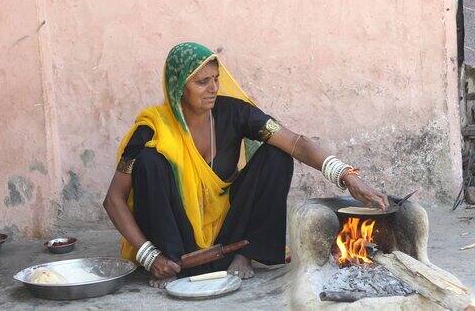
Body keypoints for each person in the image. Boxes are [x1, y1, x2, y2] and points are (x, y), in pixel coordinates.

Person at [103, 42, 388, 288]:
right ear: (178, 87)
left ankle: (243, 253)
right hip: (175, 239)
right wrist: (147, 254)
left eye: (215, 79)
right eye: (201, 82)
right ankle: (168, 263)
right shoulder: (152, 130)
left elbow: (296, 143)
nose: (213, 88)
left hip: (227, 229)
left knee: (276, 157)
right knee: (149, 162)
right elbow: (114, 200)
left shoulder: (235, 112)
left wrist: (346, 175)